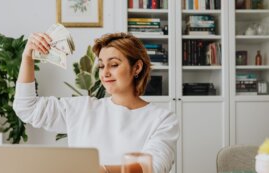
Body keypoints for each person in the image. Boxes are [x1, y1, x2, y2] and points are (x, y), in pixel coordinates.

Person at [13, 32, 179, 173]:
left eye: (114, 64)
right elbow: (27, 108)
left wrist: (101, 169)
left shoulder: (162, 119)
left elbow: (153, 167)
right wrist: (27, 57)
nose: (105, 73)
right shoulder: (81, 109)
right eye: (101, 66)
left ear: (136, 68)